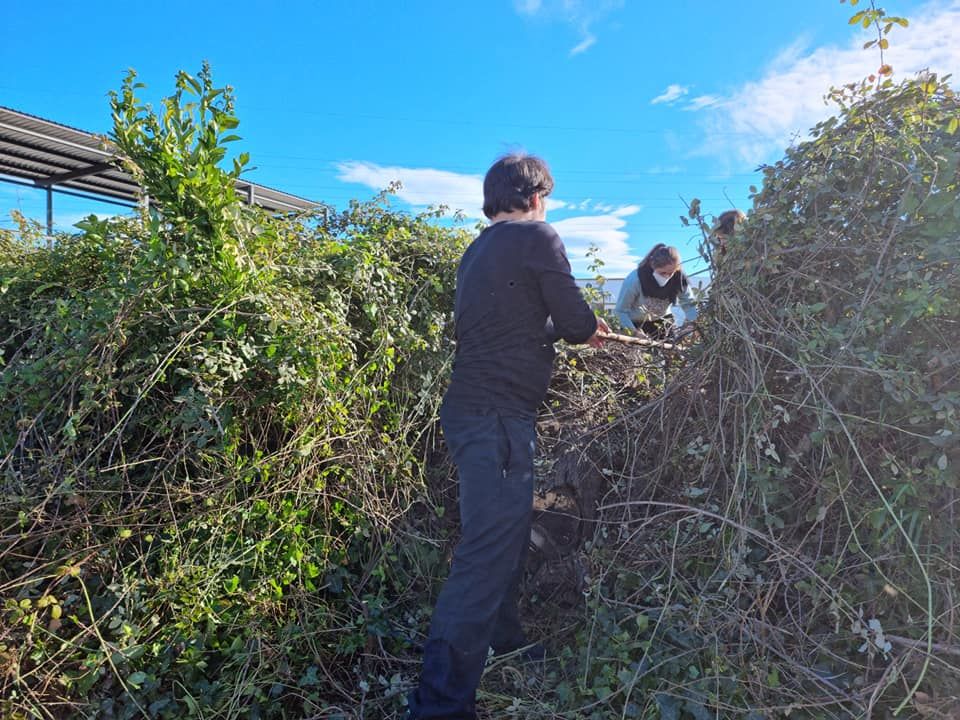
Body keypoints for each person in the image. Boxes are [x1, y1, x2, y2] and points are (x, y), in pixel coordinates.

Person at [407, 154, 609, 719]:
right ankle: (439, 706)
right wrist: (588, 329)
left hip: (477, 413)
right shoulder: (538, 236)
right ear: (536, 195)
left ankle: (504, 637)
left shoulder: (476, 252)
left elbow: (511, 321)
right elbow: (572, 322)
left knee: (503, 533)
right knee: (484, 554)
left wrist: (565, 327)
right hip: (496, 418)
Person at [614, 244, 698, 339]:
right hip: (635, 324)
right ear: (652, 265)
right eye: (662, 273)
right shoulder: (634, 280)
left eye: (671, 273)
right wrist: (634, 333)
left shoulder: (679, 279)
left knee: (669, 350)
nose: (667, 277)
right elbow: (620, 312)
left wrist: (693, 323)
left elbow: (690, 304)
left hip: (662, 322)